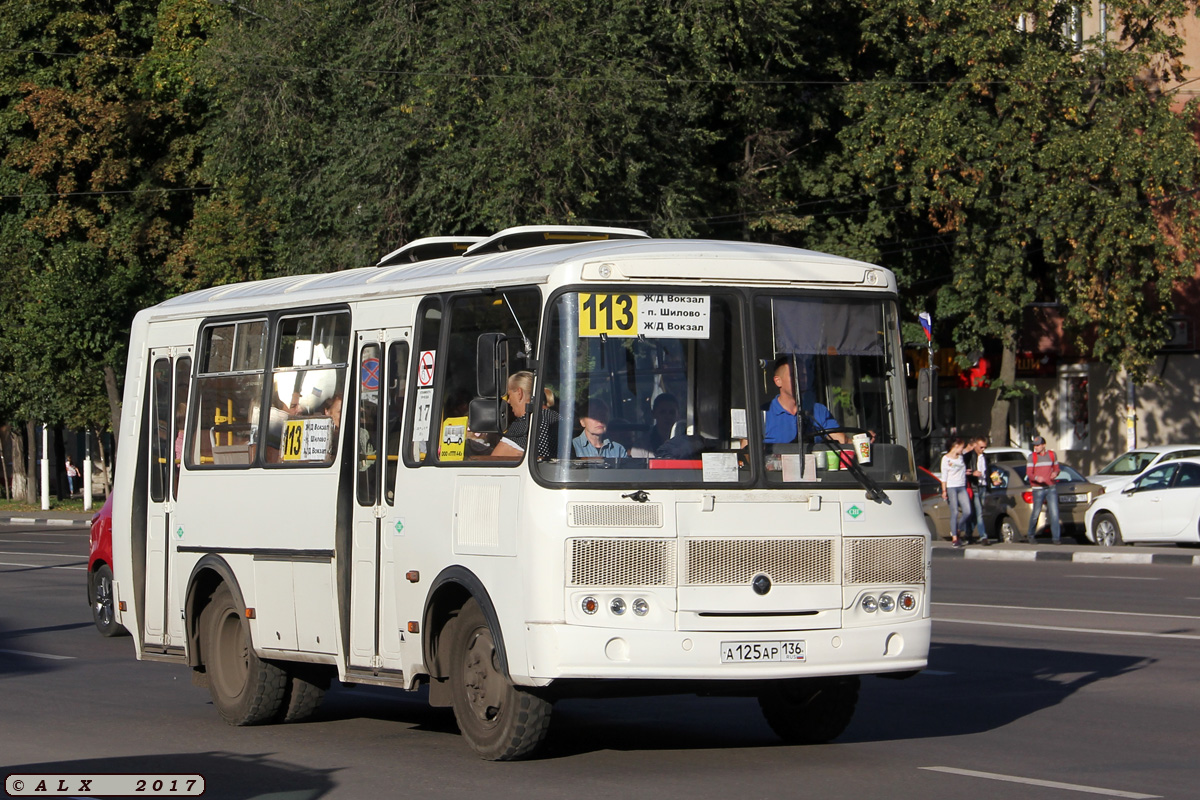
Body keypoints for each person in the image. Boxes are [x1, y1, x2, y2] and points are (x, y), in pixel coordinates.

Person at [762, 356, 846, 445]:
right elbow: (746, 454)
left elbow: (843, 442)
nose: (801, 380)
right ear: (778, 381)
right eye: (794, 375)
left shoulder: (818, 410)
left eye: (804, 375)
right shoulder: (763, 414)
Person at [490, 371, 561, 460]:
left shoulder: (525, 424)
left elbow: (495, 462)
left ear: (519, 393)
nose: (508, 401)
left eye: (509, 395)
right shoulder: (557, 417)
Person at [1025, 435, 1062, 544]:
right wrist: (1037, 478)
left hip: (1051, 488)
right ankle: (1031, 534)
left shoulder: (1051, 455)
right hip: (1038, 489)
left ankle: (1056, 538)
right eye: (1035, 446)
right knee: (1036, 513)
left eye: (1038, 445)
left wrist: (1055, 473)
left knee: (1054, 513)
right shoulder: (1032, 457)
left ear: (1044, 445)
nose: (1036, 447)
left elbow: (1056, 468)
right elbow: (1029, 473)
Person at [940, 438, 971, 547]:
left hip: (962, 486)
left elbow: (969, 449)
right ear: (956, 446)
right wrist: (944, 490)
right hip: (951, 487)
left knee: (967, 511)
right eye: (961, 446)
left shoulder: (961, 457)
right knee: (955, 512)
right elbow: (944, 476)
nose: (962, 449)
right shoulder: (945, 459)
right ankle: (954, 537)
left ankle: (958, 528)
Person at [964, 437, 990, 545]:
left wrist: (994, 479)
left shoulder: (986, 457)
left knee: (976, 513)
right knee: (979, 512)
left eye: (985, 447)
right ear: (975, 446)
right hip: (974, 486)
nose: (983, 449)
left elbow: (989, 470)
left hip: (983, 485)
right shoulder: (968, 457)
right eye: (981, 447)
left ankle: (968, 534)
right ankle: (983, 536)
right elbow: (963, 471)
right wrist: (972, 473)